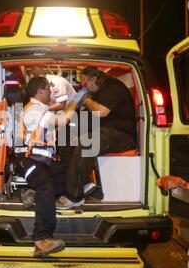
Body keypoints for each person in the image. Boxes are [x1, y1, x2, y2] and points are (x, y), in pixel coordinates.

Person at [18, 76, 86, 257]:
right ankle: (42, 239)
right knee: (46, 186)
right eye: (49, 89)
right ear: (40, 91)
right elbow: (62, 121)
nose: (52, 92)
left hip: (42, 161)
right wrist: (73, 103)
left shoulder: (41, 109)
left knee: (67, 174)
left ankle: (34, 194)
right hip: (31, 162)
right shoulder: (35, 111)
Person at [59, 66, 137, 209]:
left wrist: (87, 101)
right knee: (66, 137)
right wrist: (66, 122)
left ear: (93, 79)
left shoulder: (112, 87)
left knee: (87, 142)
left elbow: (101, 112)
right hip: (105, 131)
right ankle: (82, 183)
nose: (84, 87)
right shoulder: (94, 89)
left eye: (85, 83)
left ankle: (73, 196)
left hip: (122, 135)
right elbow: (74, 106)